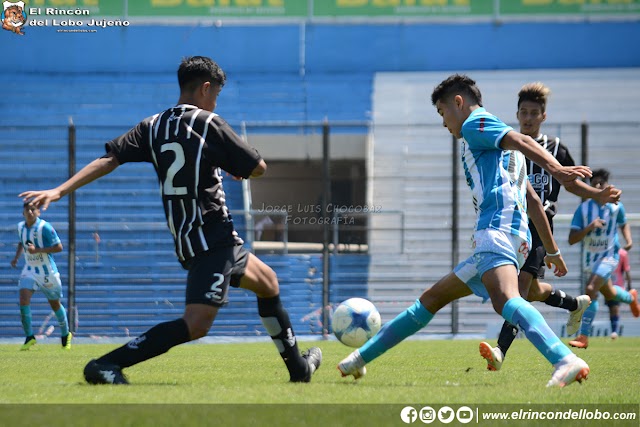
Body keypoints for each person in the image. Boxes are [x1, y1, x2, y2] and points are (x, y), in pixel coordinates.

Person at [20, 56, 321, 384]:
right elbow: (258, 168)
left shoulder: (153, 125)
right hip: (211, 238)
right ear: (206, 88)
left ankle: (299, 370)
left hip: (198, 238)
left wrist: (60, 190)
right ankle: (105, 365)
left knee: (268, 283)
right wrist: (237, 166)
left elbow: (109, 159)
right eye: (216, 95)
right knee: (196, 324)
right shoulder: (209, 123)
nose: (215, 102)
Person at [338, 74, 592, 388]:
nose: (444, 122)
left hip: (495, 229)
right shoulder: (499, 149)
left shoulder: (475, 123)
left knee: (506, 300)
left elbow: (523, 141)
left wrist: (557, 169)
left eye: (443, 112)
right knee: (431, 299)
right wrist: (552, 251)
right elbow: (532, 200)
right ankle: (358, 360)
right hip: (509, 234)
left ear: (458, 103)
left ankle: (564, 359)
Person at [479, 82, 621, 371]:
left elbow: (572, 184)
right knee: (529, 294)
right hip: (510, 228)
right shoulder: (508, 146)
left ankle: (500, 350)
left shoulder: (554, 149)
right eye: (523, 113)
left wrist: (598, 195)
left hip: (538, 230)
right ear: (517, 114)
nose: (528, 118)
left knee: (515, 292)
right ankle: (574, 304)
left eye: (533, 113)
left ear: (543, 116)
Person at [568, 169, 638, 349]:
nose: (598, 186)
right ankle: (631, 298)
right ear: (591, 186)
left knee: (590, 289)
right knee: (610, 293)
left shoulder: (615, 207)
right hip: (590, 260)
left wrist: (628, 240)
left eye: (601, 183)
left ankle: (583, 336)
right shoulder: (583, 209)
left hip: (609, 256)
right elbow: (571, 238)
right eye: (595, 183)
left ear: (607, 185)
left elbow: (623, 224)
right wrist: (589, 227)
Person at [10, 203, 72, 351]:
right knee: (23, 299)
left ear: (38, 211)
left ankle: (65, 334)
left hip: (46, 271)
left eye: (33, 209)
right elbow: (22, 242)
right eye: (27, 209)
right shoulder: (20, 227)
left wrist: (37, 250)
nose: (30, 212)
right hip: (29, 269)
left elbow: (59, 247)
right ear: (23, 212)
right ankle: (29, 336)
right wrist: (16, 257)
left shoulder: (45, 227)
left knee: (54, 304)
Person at [607, 248, 632, 339]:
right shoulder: (605, 251)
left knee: (615, 307)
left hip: (618, 285)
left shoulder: (622, 254)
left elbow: (626, 270)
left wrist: (629, 285)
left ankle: (614, 331)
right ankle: (614, 330)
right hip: (607, 284)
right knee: (611, 307)